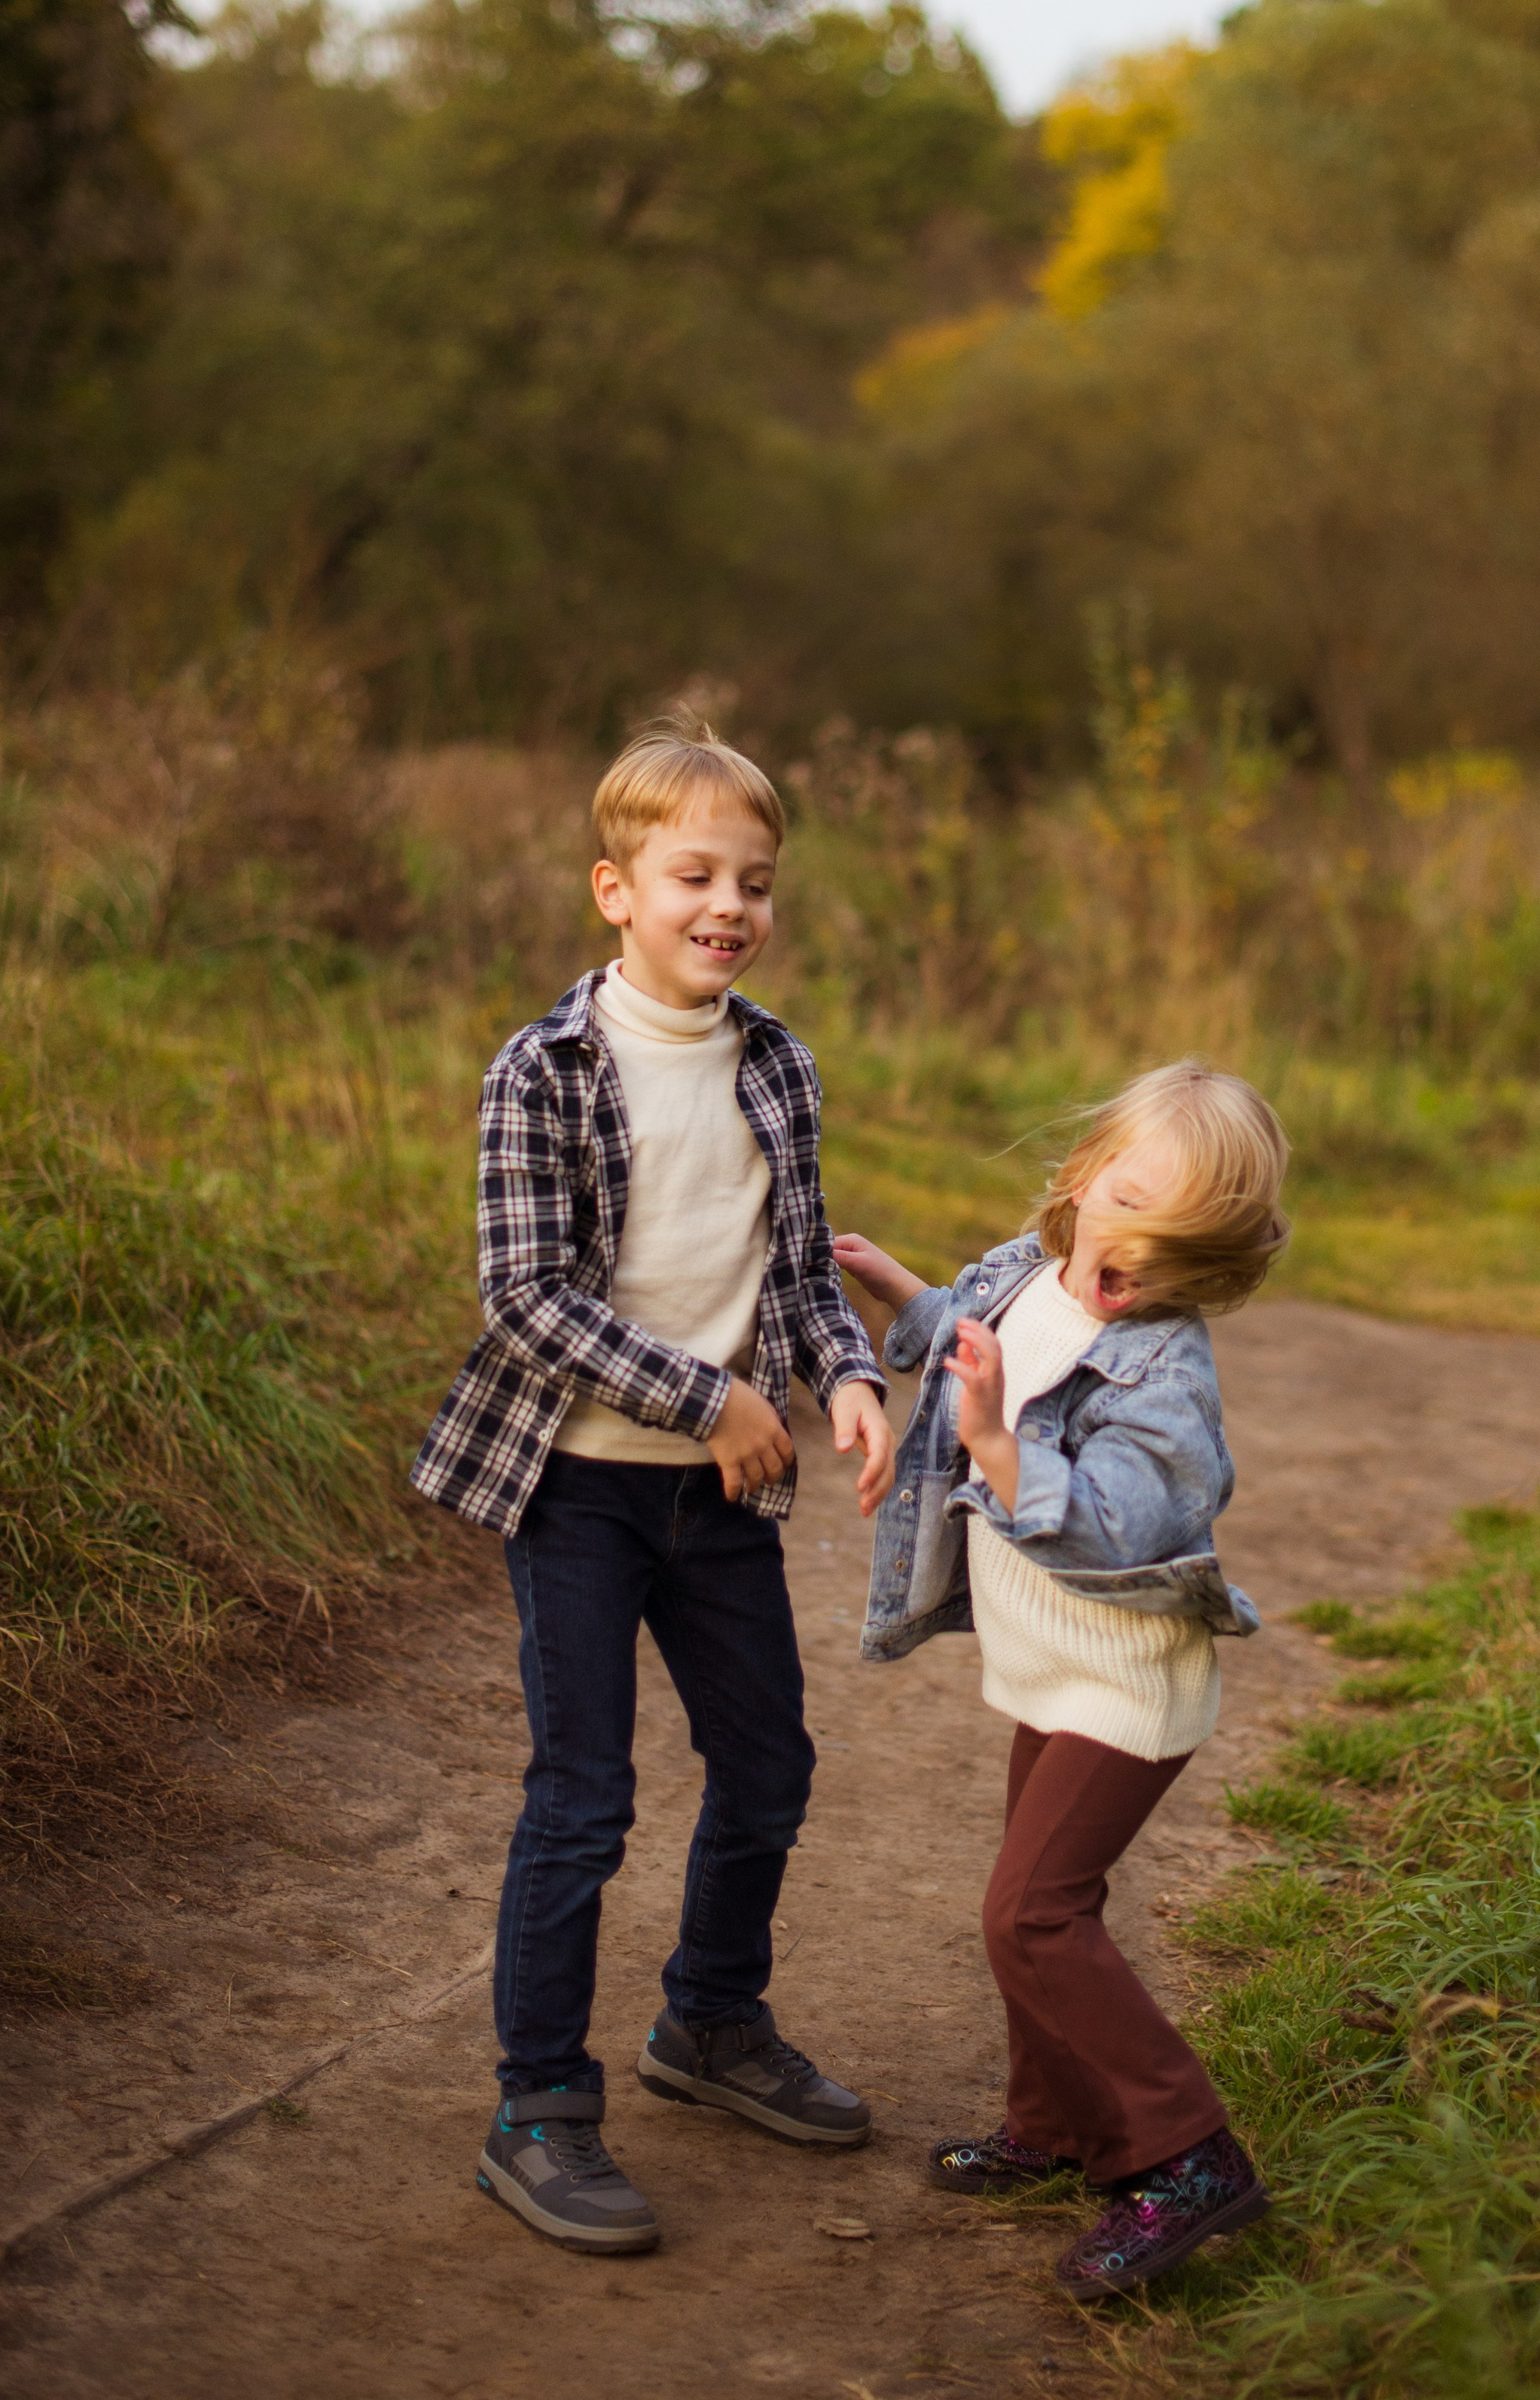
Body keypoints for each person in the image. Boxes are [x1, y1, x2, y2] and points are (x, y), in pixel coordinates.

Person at [412, 711, 896, 2256]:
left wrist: (851, 1377)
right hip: (580, 1485)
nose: (728, 908)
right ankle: (539, 2103)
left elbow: (802, 1273)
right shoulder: (546, 1067)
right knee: (584, 1797)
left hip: (718, 1499)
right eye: (694, 873)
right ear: (613, 888)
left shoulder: (775, 1065)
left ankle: (711, 2021)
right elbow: (525, 1295)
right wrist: (711, 1395)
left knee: (768, 1770)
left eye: (754, 882)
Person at [834, 1062, 1286, 2302]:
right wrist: (904, 1300)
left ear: (1216, 1262)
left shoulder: (1165, 1377)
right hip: (1054, 1673)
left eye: (1179, 1241)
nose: (1135, 1249)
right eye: (1127, 1203)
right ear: (1082, 1177)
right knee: (1022, 1900)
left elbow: (1118, 1522)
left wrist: (991, 1445)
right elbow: (987, 1337)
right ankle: (1056, 2129)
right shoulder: (1029, 1271)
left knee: (1032, 1915)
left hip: (1126, 1688)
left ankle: (1185, 2153)